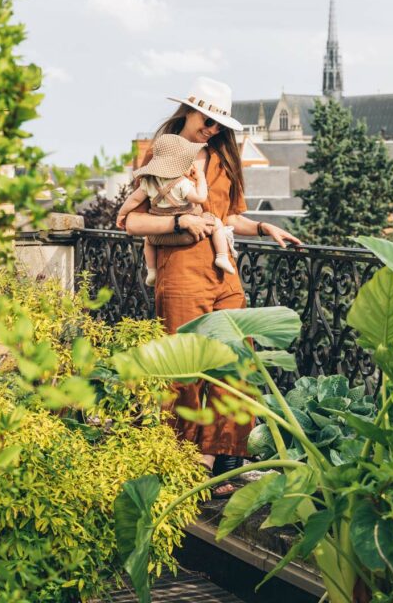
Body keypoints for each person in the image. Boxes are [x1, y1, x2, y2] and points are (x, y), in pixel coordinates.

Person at [121, 77, 302, 496]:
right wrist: (179, 222)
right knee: (183, 369)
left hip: (225, 273)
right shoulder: (161, 152)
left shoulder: (225, 155)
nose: (212, 129)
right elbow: (130, 221)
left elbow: (231, 216)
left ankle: (227, 456)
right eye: (207, 119)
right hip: (182, 269)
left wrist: (262, 226)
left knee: (238, 362)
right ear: (188, 111)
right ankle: (180, 457)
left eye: (219, 123)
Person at [116, 133, 237, 284]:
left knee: (147, 241)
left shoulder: (149, 183)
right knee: (217, 224)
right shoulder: (182, 183)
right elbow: (200, 198)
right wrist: (201, 180)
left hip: (160, 236)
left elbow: (133, 199)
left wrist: (122, 214)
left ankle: (151, 270)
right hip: (188, 233)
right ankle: (222, 257)